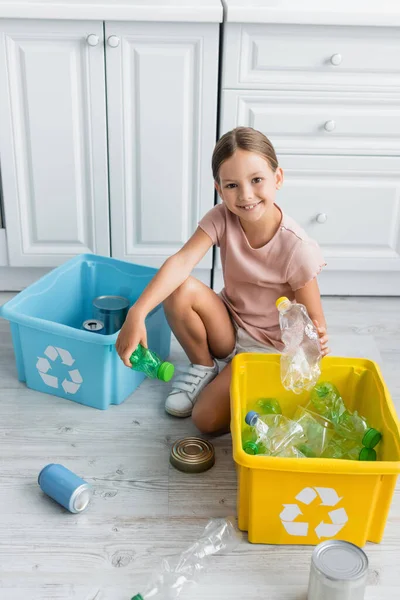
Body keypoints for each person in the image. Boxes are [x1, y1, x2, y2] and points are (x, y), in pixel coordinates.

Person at [116, 127, 329, 434]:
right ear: (219, 188)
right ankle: (204, 366)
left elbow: (313, 323)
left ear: (277, 178)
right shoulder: (221, 217)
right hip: (229, 326)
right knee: (178, 288)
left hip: (269, 349)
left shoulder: (298, 248)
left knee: (205, 421)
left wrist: (314, 344)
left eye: (256, 180)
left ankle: (236, 380)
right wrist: (136, 313)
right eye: (232, 185)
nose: (245, 195)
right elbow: (180, 262)